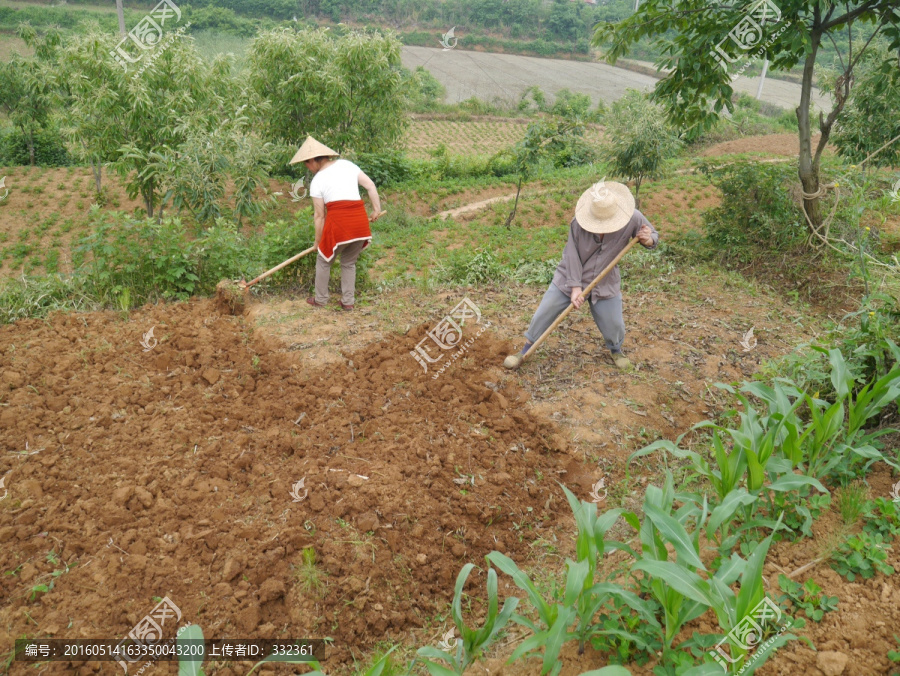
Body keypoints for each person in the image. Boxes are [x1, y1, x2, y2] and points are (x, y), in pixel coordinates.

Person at [504, 180, 658, 371]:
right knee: (546, 310)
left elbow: (652, 235)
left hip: (605, 280)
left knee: (614, 323)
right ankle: (526, 348)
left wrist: (648, 238)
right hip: (570, 276)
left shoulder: (632, 217)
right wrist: (575, 287)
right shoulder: (578, 222)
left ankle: (616, 350)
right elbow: (572, 255)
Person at [289, 136, 384, 311]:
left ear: (312, 160)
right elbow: (370, 186)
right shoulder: (347, 165)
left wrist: (318, 242)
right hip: (360, 224)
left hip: (339, 225)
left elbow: (319, 216)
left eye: (306, 164)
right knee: (348, 262)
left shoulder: (318, 180)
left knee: (323, 260)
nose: (307, 168)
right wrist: (376, 209)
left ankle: (321, 299)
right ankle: (348, 302)